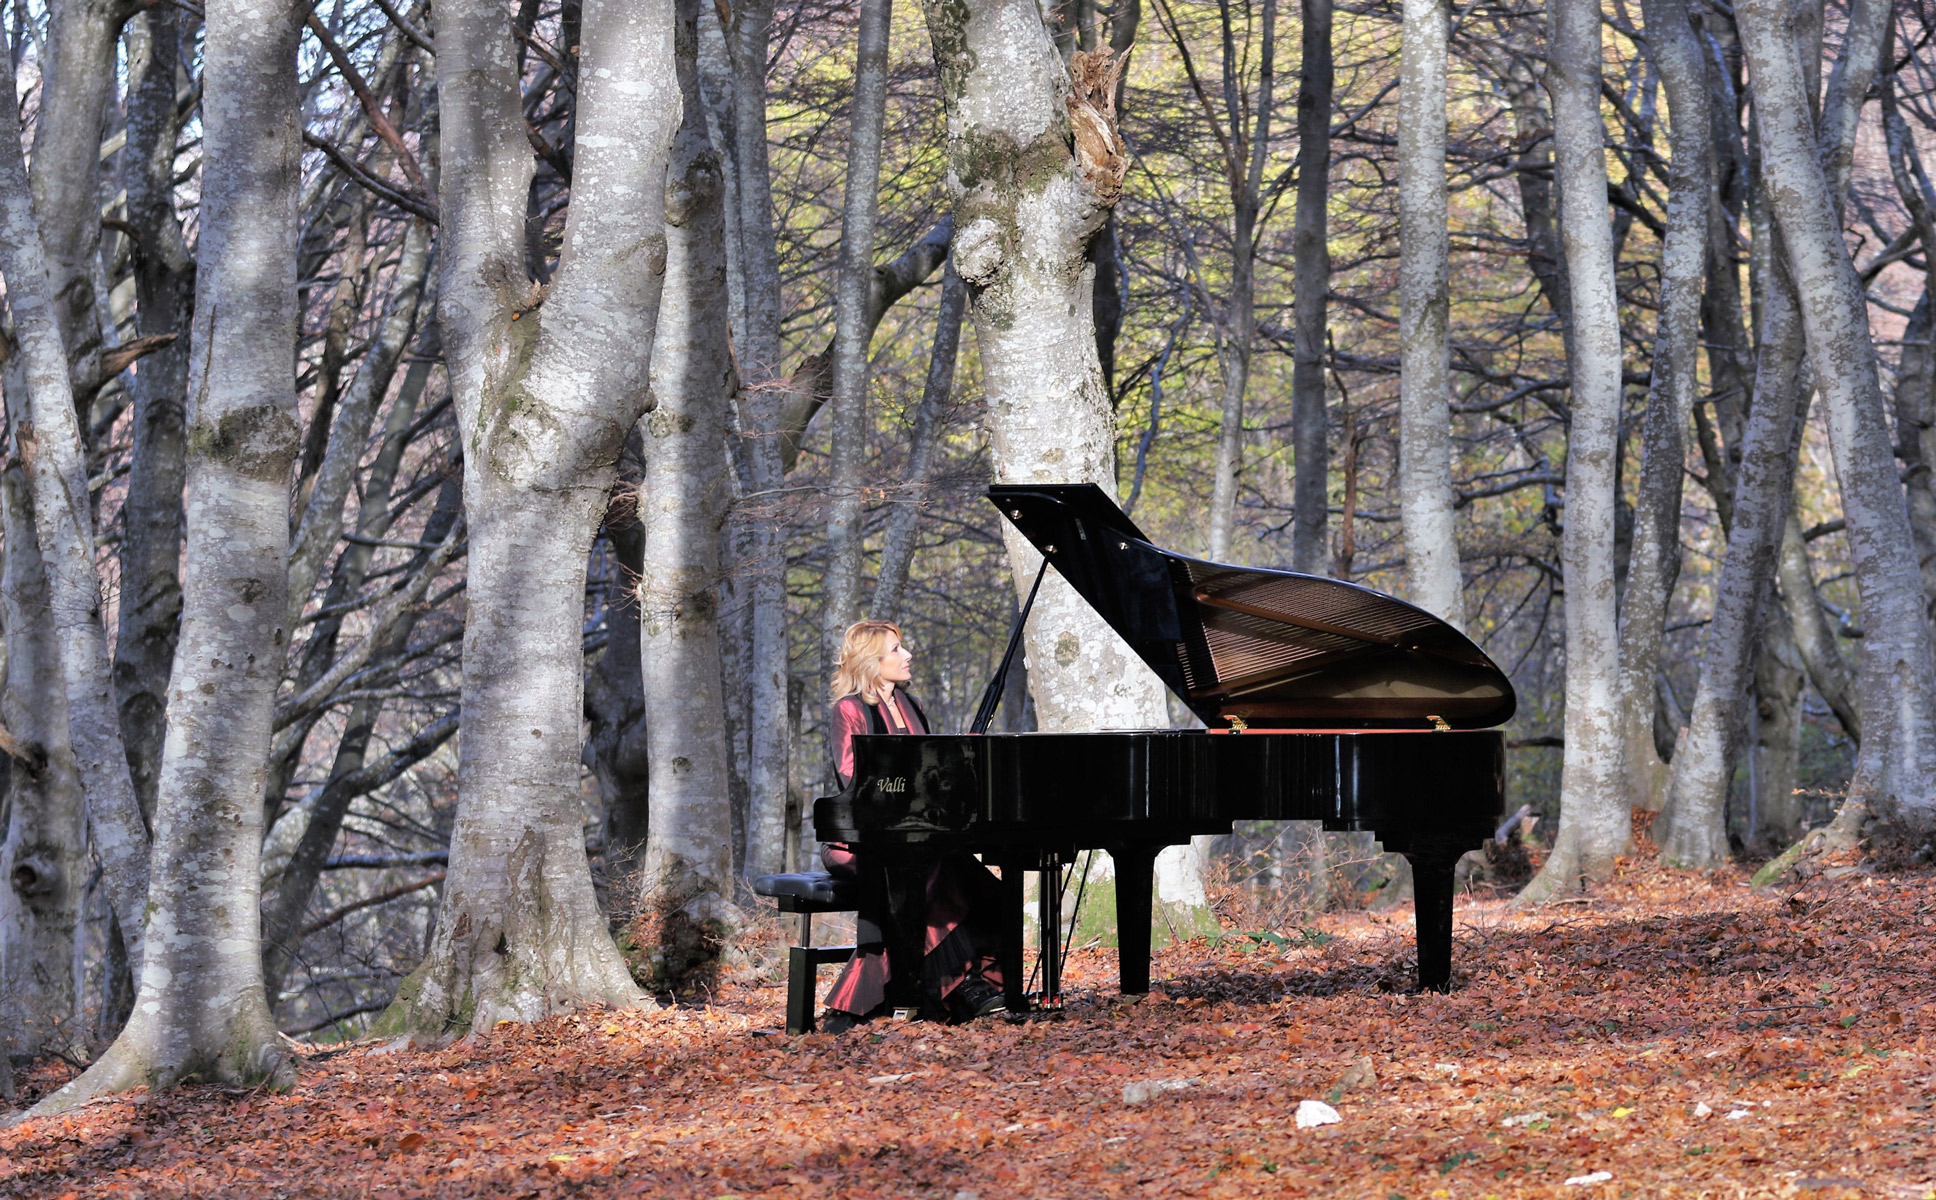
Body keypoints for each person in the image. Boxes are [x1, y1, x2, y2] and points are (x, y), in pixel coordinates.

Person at [819, 620, 1007, 1032]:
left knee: (979, 883)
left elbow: (930, 769)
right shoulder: (848, 710)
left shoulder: (911, 704)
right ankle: (958, 987)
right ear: (873, 661)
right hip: (857, 843)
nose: (908, 656)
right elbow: (855, 781)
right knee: (932, 869)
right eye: (896, 650)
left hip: (918, 836)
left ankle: (955, 985)